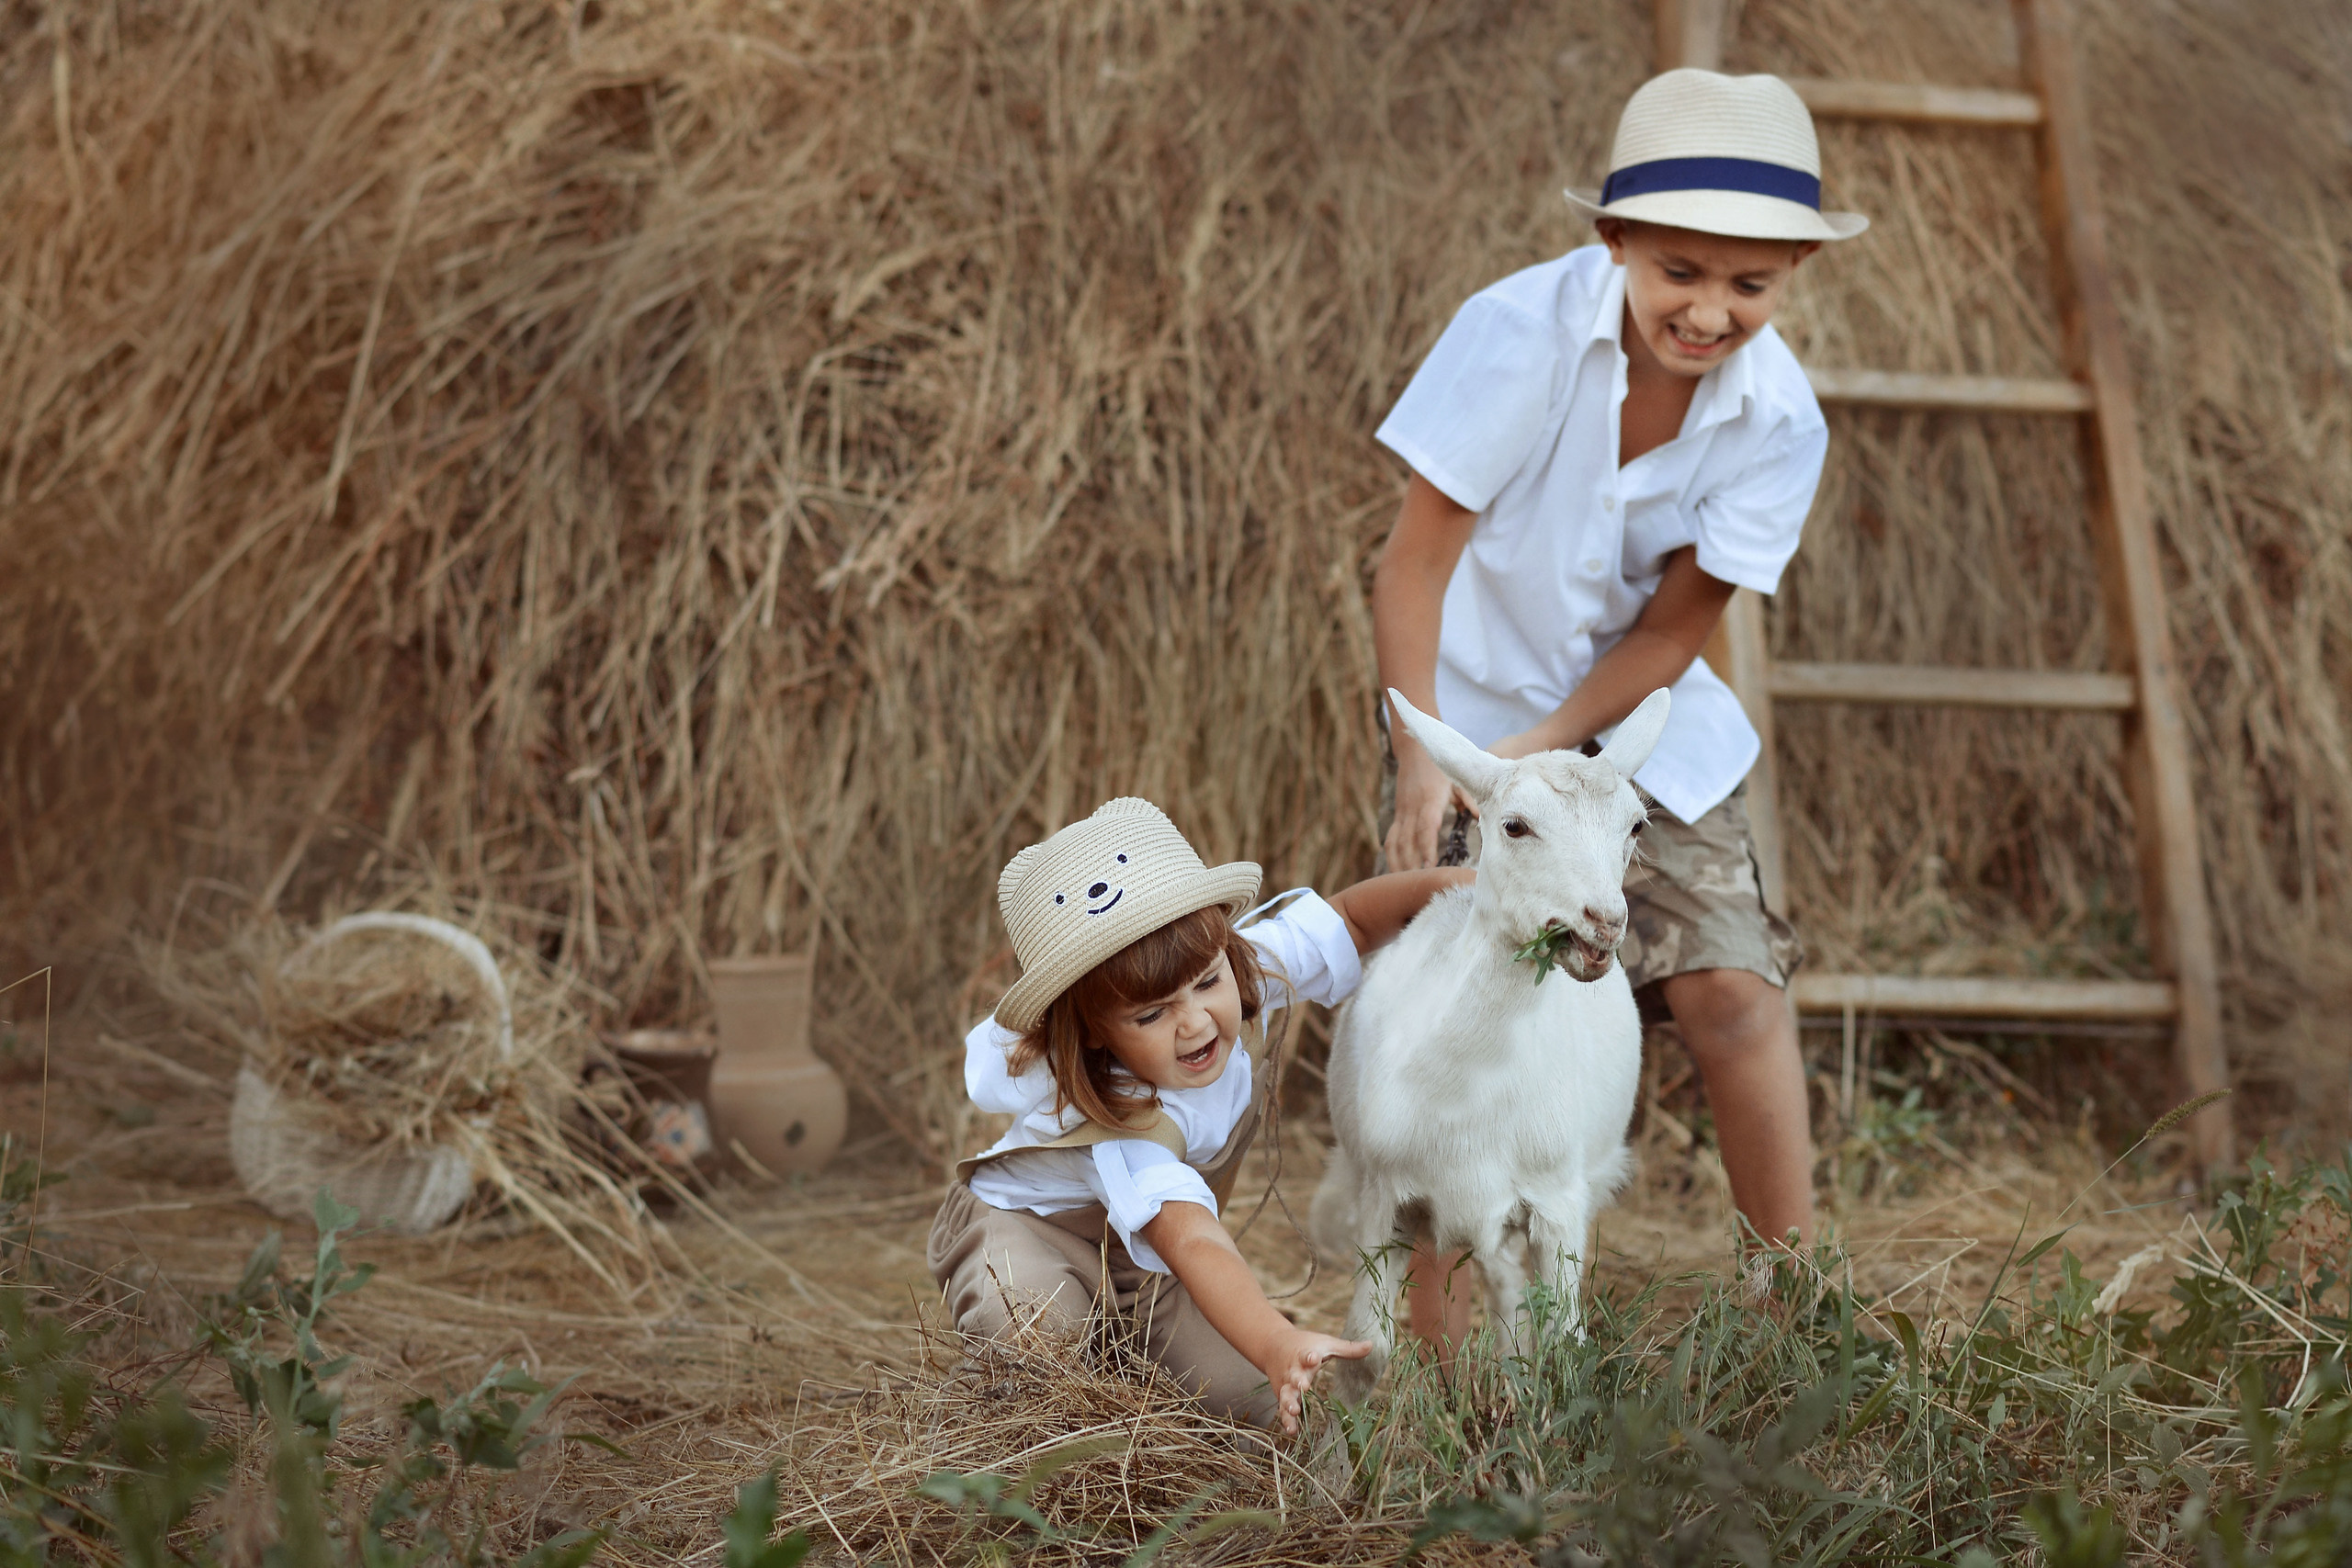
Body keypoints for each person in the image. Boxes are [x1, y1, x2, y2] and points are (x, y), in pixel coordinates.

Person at [1368, 69, 1869, 1343]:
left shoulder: (1781, 421)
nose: (1710, 311)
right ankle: (1426, 1349)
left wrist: (1543, 761)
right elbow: (1414, 560)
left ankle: (1789, 1297)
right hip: (1458, 709)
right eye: (1680, 272)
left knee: (1732, 991)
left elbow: (1671, 630)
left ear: (1794, 276)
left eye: (1750, 286)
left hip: (1645, 725)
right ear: (1616, 243)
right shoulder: (1517, 331)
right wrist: (1436, 765)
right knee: (1447, 1009)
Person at [928, 796, 1469, 1434]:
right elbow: (1191, 1237)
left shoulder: (1235, 966)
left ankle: (1129, 1348)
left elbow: (1351, 918)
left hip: (1151, 1269)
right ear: (1096, 1032)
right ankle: (1008, 1411)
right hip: (1033, 1233)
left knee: (1265, 1418)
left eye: (1206, 984)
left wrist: (1466, 893)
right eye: (1150, 1014)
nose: (1194, 1020)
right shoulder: (1126, 1124)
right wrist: (1273, 1339)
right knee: (1038, 1341)